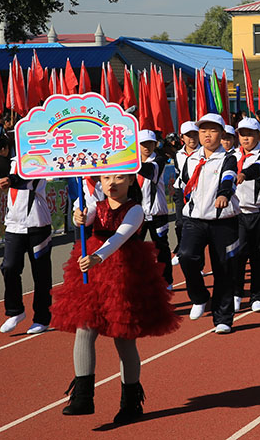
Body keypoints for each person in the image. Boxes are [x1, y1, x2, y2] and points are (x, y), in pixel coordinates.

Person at [53, 172, 180, 423]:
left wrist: (99, 256)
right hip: (93, 272)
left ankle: (131, 402)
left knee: (124, 340)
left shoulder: (135, 210)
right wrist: (77, 217)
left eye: (120, 177)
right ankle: (83, 396)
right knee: (85, 327)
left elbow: (119, 237)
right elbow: (85, 217)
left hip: (124, 273)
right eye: (106, 177)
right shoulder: (95, 205)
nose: (112, 183)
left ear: (131, 181)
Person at [175, 113, 241, 334]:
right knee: (185, 255)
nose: (207, 135)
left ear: (221, 134)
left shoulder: (228, 158)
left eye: (212, 131)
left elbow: (229, 178)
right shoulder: (191, 158)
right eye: (203, 131)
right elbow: (184, 183)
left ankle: (223, 318)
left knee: (223, 269)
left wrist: (223, 194)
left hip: (223, 221)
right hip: (195, 220)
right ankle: (200, 296)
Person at [0, 160, 54, 334]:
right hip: (14, 225)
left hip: (37, 223)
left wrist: (11, 180)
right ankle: (16, 311)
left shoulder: (40, 158)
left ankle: (42, 318)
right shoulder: (13, 161)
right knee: (9, 267)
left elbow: (27, 178)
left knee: (41, 273)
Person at [230, 117, 260, 312]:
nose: (246, 138)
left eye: (250, 134)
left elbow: (259, 169)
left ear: (259, 135)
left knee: (259, 256)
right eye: (242, 134)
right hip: (237, 216)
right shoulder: (231, 156)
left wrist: (244, 174)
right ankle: (236, 294)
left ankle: (258, 297)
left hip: (259, 214)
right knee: (237, 256)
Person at [137, 131, 173, 287]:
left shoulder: (159, 160)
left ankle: (167, 281)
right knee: (134, 249)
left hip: (157, 213)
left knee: (161, 248)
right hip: (137, 214)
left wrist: (128, 162)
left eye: (150, 143)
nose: (147, 147)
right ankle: (138, 281)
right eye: (143, 144)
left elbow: (148, 171)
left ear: (155, 144)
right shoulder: (134, 162)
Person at [171, 121, 200, 266]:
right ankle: (181, 250)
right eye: (189, 135)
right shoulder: (178, 155)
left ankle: (199, 263)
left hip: (198, 192)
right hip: (181, 191)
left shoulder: (203, 153)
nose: (192, 138)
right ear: (182, 137)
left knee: (197, 226)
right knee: (180, 223)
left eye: (195, 134)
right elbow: (178, 173)